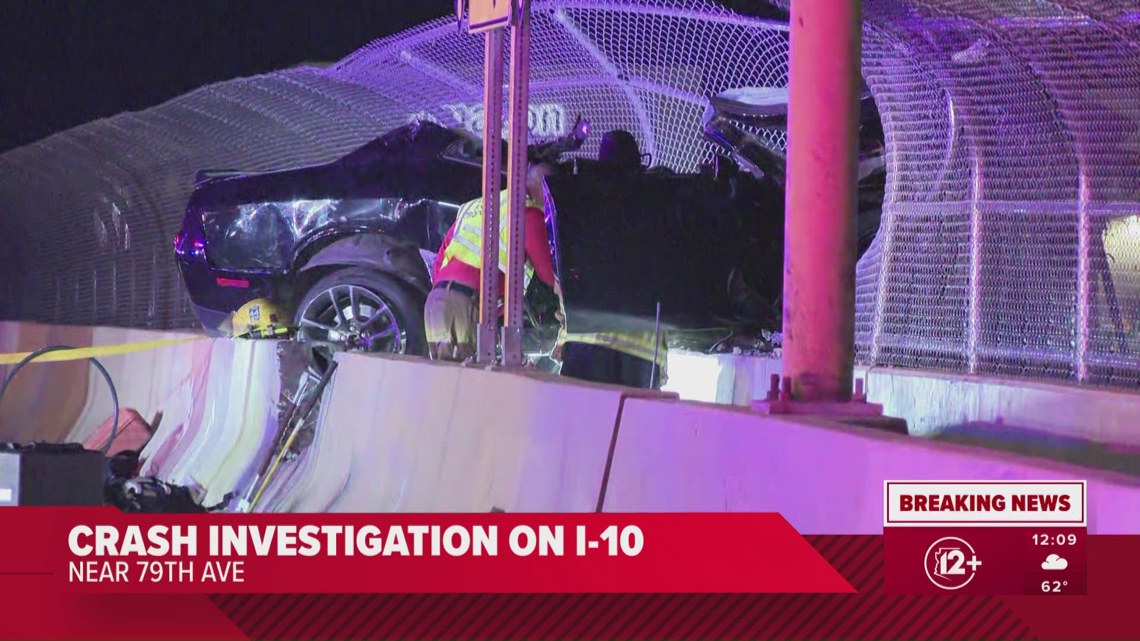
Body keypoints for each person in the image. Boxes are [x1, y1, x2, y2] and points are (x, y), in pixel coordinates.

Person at [553, 129, 668, 389]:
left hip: (586, 340)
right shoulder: (658, 203)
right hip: (641, 350)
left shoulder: (579, 202)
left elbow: (561, 272)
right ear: (639, 163)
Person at [425, 162, 559, 362]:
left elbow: (440, 261)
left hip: (436, 301)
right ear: (547, 189)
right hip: (466, 305)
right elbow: (548, 274)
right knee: (466, 378)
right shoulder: (528, 214)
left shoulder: (474, 206)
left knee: (444, 377)